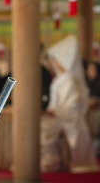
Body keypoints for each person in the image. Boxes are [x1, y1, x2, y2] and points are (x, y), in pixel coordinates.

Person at [41, 35, 97, 172]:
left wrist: (55, 112)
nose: (54, 62)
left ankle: (51, 160)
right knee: (39, 123)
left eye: (57, 60)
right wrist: (50, 111)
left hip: (69, 117)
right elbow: (53, 104)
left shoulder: (71, 80)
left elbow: (73, 106)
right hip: (58, 115)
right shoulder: (57, 80)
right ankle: (45, 159)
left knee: (44, 126)